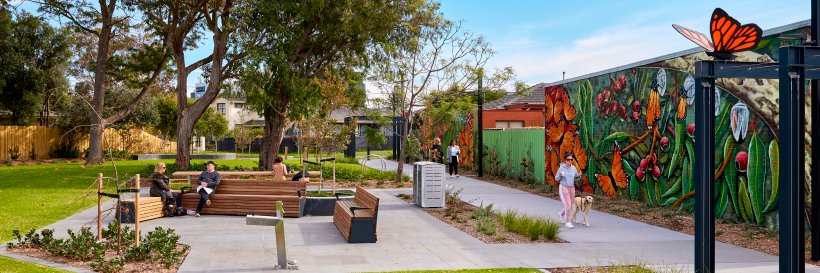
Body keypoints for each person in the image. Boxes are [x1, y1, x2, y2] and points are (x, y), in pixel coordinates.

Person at [555, 153, 581, 228]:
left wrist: (579, 176)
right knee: (568, 204)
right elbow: (556, 178)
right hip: (563, 187)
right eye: (568, 159)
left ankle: (561, 214)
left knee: (570, 204)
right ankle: (568, 222)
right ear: (565, 160)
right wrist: (560, 175)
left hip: (572, 187)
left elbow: (576, 177)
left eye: (571, 159)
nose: (570, 161)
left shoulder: (573, 168)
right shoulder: (561, 168)